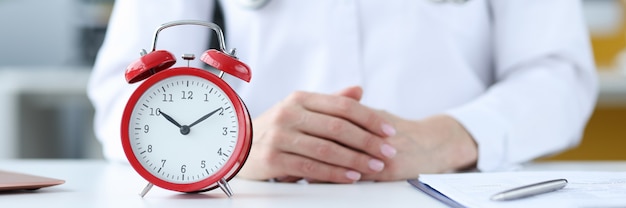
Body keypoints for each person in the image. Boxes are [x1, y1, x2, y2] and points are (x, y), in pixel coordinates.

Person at [88, 0, 598, 183]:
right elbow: (123, 93)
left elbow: (559, 75)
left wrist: (455, 137)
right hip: (254, 195)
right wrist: (229, 147)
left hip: (451, 191)